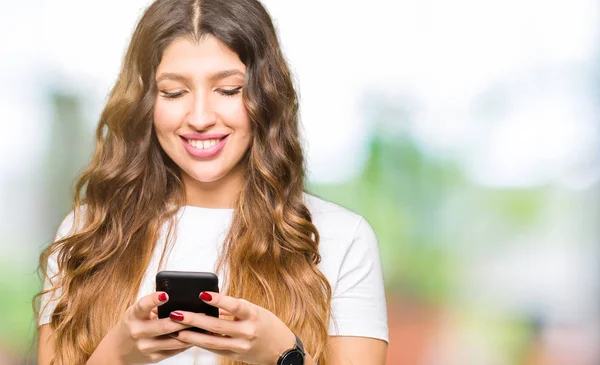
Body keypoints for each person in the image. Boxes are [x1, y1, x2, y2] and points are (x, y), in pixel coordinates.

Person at [35, 0, 389, 364]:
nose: (200, 118)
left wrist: (283, 355)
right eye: (174, 92)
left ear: (265, 96)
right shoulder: (89, 234)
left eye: (229, 90)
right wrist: (116, 355)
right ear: (145, 102)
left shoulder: (342, 238)